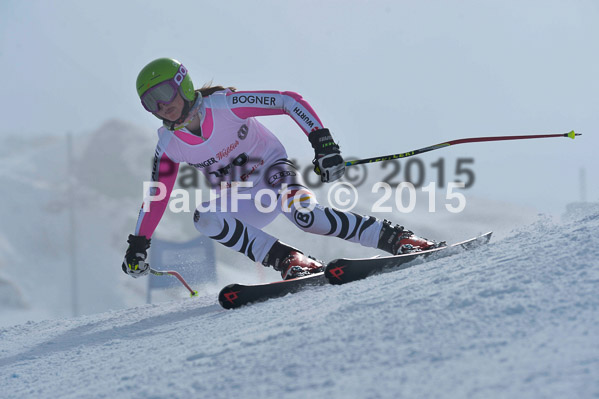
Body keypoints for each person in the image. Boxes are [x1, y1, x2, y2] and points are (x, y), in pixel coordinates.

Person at [122, 58, 441, 281]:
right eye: (150, 102)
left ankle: (396, 238)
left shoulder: (224, 106)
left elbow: (288, 101)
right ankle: (289, 260)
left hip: (274, 173)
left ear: (183, 84)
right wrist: (139, 244)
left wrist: (323, 143)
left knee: (307, 217)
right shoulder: (169, 144)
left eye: (163, 94)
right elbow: (158, 195)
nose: (161, 106)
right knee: (204, 217)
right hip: (241, 199)